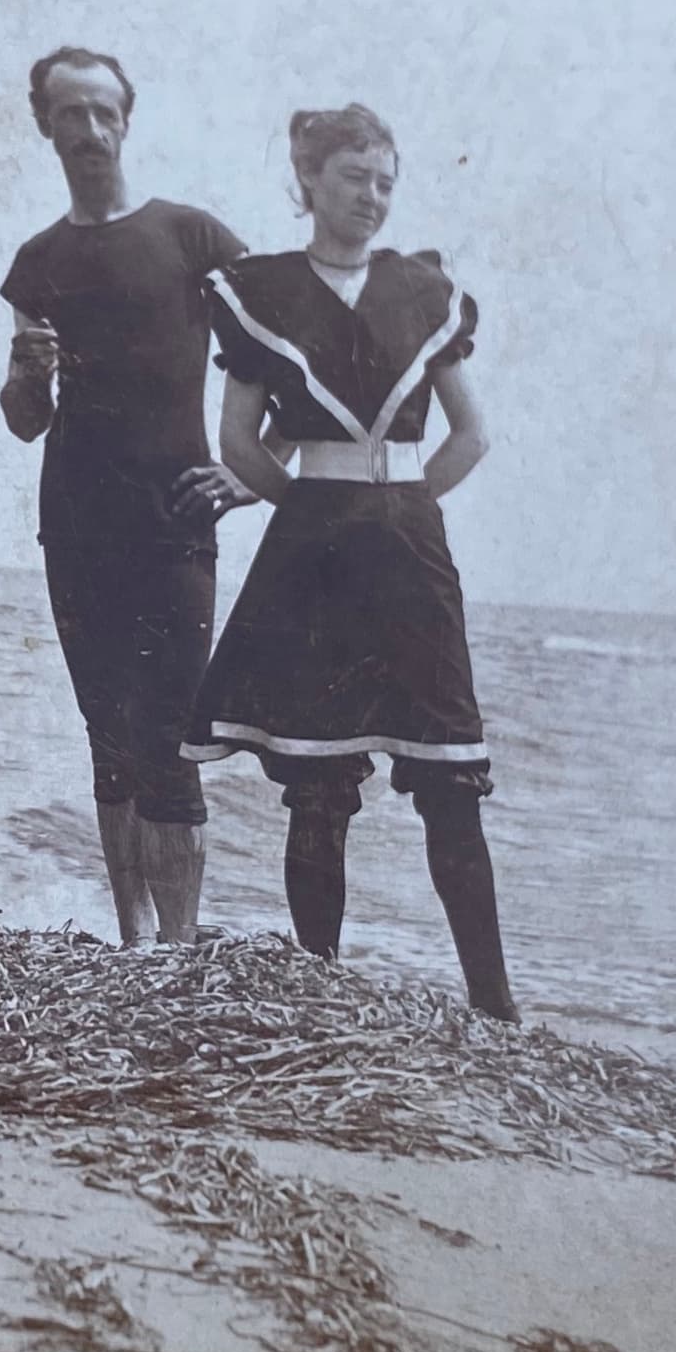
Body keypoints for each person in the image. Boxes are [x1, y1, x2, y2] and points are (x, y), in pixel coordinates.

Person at [184, 103, 519, 1022]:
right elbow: (239, 440)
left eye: (384, 182)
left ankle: (496, 1008)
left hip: (410, 543)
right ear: (307, 181)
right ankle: (319, 991)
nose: (370, 198)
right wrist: (315, 514)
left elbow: (471, 434)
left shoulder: (423, 291)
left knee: (450, 775)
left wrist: (398, 506)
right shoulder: (261, 289)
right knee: (318, 781)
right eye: (351, 178)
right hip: (314, 543)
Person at [0, 47, 257, 945]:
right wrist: (28, 379)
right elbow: (24, 418)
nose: (90, 129)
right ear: (46, 125)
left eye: (104, 111)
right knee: (107, 735)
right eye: (70, 112)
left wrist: (251, 472)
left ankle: (180, 953)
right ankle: (133, 942)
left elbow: (283, 358)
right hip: (74, 520)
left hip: (175, 521)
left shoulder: (193, 238)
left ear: (128, 118)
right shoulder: (39, 261)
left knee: (174, 738)